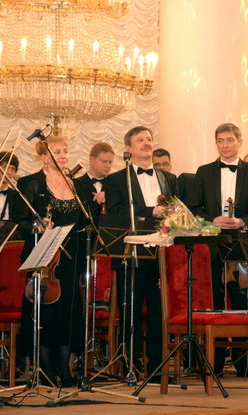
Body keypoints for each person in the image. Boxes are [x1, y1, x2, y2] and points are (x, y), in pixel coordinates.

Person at [10, 135, 88, 387]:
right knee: (44, 313)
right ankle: (43, 369)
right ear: (44, 157)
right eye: (57, 152)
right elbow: (18, 221)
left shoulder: (77, 185)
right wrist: (37, 226)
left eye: (65, 150)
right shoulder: (30, 183)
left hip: (70, 257)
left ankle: (64, 370)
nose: (63, 155)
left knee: (67, 313)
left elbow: (86, 221)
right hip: (44, 257)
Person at [189, 122, 248, 377]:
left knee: (242, 301)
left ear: (239, 142)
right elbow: (193, 208)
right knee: (215, 303)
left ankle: (244, 364)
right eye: (220, 140)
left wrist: (243, 221)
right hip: (212, 245)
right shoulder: (204, 171)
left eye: (230, 140)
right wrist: (212, 221)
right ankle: (216, 364)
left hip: (242, 244)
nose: (225, 145)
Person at [105, 126, 177, 380]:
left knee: (159, 313)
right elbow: (115, 214)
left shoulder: (169, 178)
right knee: (130, 313)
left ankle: (157, 368)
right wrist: (150, 212)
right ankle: (130, 366)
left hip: (161, 255)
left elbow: (175, 211)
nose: (147, 143)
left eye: (149, 139)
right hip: (130, 253)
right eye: (140, 140)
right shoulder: (116, 179)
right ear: (128, 148)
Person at [75, 142, 114, 217]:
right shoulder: (76, 184)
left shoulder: (115, 185)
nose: (108, 166)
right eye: (104, 161)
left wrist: (109, 197)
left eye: (110, 162)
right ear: (92, 159)